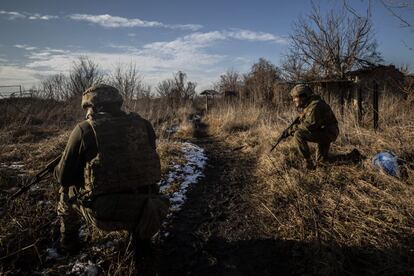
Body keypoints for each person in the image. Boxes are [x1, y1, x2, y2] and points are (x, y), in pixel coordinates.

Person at [54, 84, 168, 260]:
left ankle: (69, 245)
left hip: (108, 211)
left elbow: (63, 177)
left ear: (92, 106)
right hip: (150, 206)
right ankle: (141, 241)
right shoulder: (144, 125)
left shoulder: (84, 129)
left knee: (65, 192)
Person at [282, 84, 340, 169]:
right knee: (322, 163)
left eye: (295, 97)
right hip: (324, 131)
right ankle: (352, 156)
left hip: (328, 133)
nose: (293, 100)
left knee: (298, 134)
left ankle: (308, 162)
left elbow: (309, 126)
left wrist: (291, 130)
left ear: (303, 96)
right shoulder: (310, 105)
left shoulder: (315, 106)